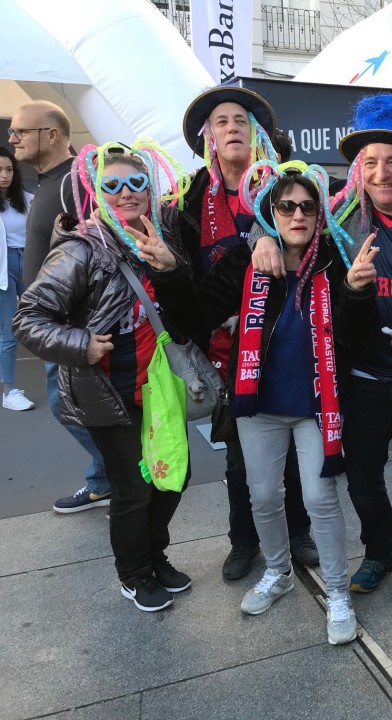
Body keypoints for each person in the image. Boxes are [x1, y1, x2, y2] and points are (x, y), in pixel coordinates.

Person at [144, 162, 375, 641]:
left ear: (319, 215)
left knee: (319, 498)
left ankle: (337, 593)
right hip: (258, 404)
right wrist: (169, 273)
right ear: (271, 212)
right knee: (264, 496)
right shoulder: (244, 260)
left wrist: (354, 293)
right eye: (286, 206)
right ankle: (277, 571)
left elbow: (353, 338)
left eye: (307, 207)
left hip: (317, 405)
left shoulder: (336, 259)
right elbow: (197, 317)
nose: (298, 215)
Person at [252, 94, 392, 595]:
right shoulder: (339, 219)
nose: (381, 173)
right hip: (362, 376)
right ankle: (377, 551)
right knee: (363, 474)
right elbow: (284, 221)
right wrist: (262, 238)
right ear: (358, 170)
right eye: (371, 162)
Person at [14, 141, 194, 612]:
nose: (126, 192)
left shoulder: (163, 235)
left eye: (136, 182)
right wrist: (81, 344)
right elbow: (28, 319)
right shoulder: (81, 249)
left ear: (149, 189)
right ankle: (134, 574)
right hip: (108, 390)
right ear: (96, 192)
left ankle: (155, 557)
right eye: (112, 185)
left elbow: (186, 303)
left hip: (161, 388)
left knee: (173, 475)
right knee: (134, 487)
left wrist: (173, 268)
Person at [179, 84, 319, 580]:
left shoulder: (283, 186)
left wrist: (263, 235)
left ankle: (299, 531)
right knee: (239, 456)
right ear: (209, 137)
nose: (232, 128)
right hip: (221, 343)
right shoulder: (191, 194)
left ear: (256, 132)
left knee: (294, 448)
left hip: (282, 338)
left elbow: (319, 223)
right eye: (221, 122)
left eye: (241, 120)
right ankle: (244, 540)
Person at [8, 100, 110, 513]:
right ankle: (107, 478)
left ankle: (119, 473)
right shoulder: (52, 181)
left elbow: (98, 249)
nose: (12, 138)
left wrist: (78, 321)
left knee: (67, 405)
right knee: (71, 405)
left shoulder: (75, 183)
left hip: (68, 323)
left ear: (51, 134)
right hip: (52, 321)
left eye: (20, 131)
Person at [0, 146, 35, 411]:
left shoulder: (27, 199)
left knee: (44, 322)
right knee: (9, 332)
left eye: (9, 169)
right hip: (3, 267)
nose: (4, 175)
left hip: (29, 261)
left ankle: (61, 383)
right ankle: (9, 391)